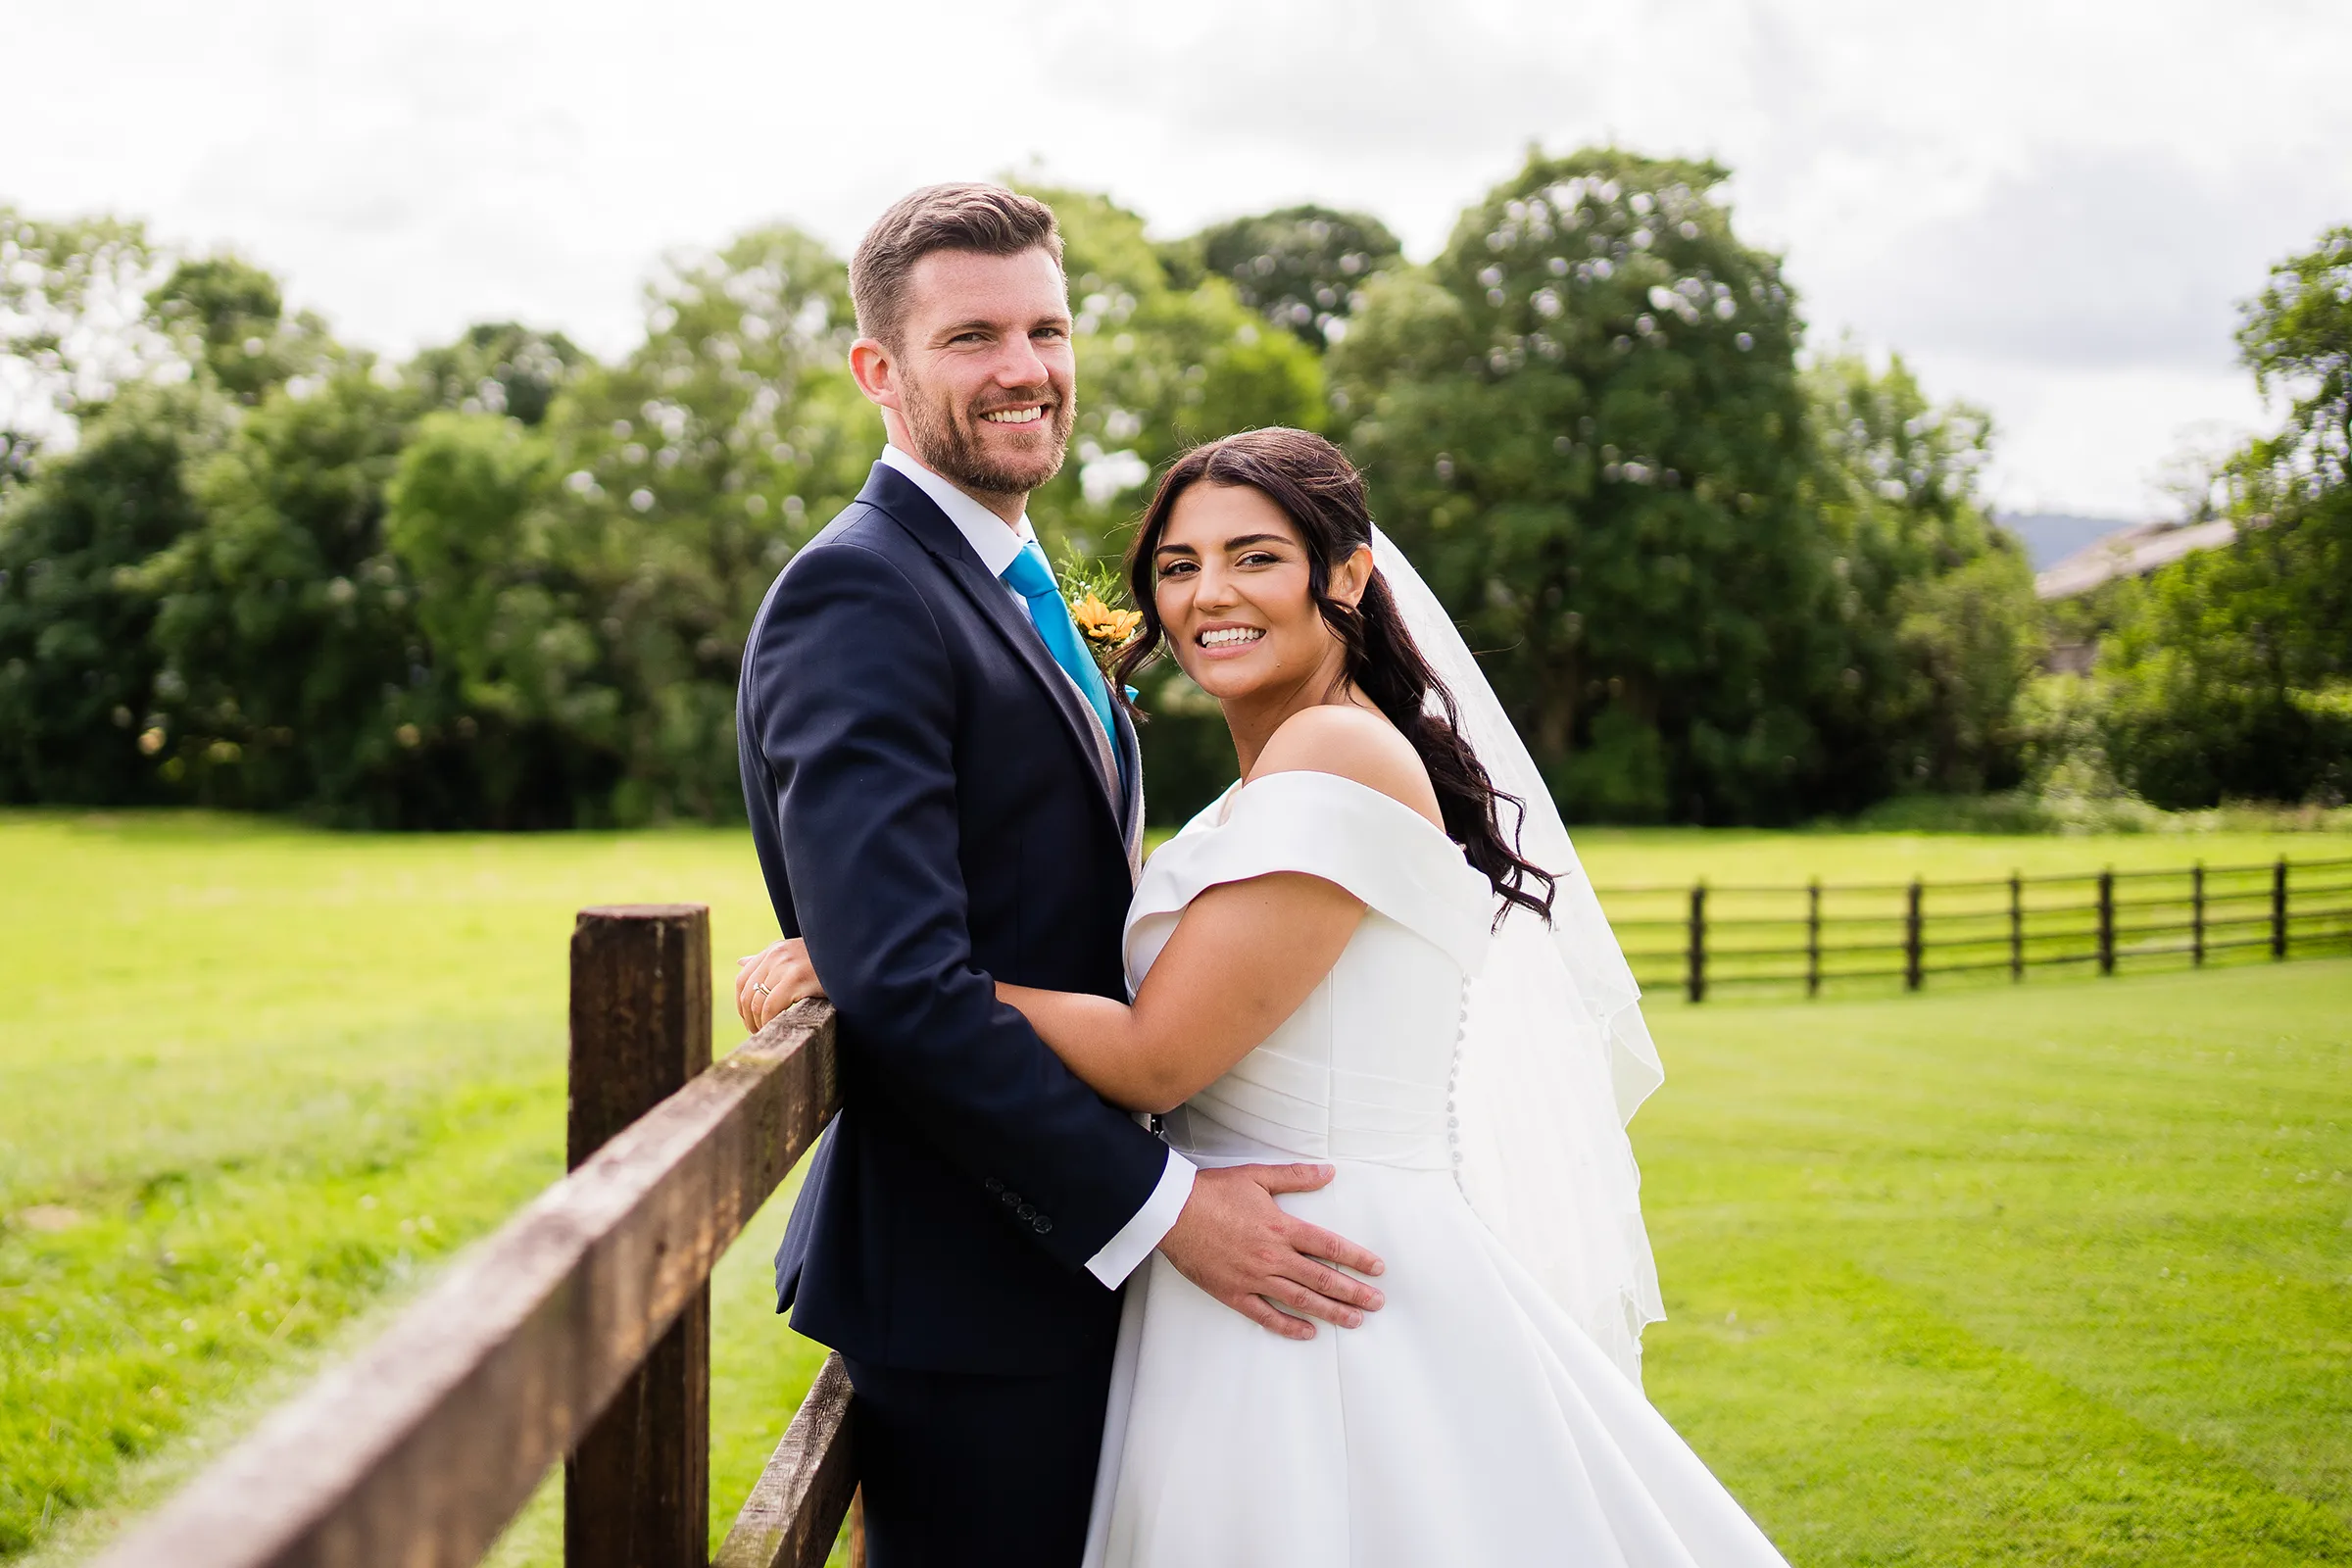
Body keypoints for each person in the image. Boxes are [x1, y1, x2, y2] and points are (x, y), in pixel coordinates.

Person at [750, 427, 1796, 1566]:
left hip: (1309, 1266)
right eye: (1180, 566)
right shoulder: (1284, 767)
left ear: (1344, 576)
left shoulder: (1335, 755)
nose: (1211, 596)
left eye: (1256, 557)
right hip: (1250, 1244)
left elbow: (1156, 1056)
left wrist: (876, 967)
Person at [731, 186, 1390, 1568]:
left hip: (1055, 1281)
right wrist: (1159, 1215)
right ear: (880, 371)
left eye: (1047, 327)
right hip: (978, 1289)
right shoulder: (860, 594)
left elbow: (1034, 912)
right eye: (973, 336)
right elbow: (910, 984)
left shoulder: (1012, 578)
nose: (1026, 368)